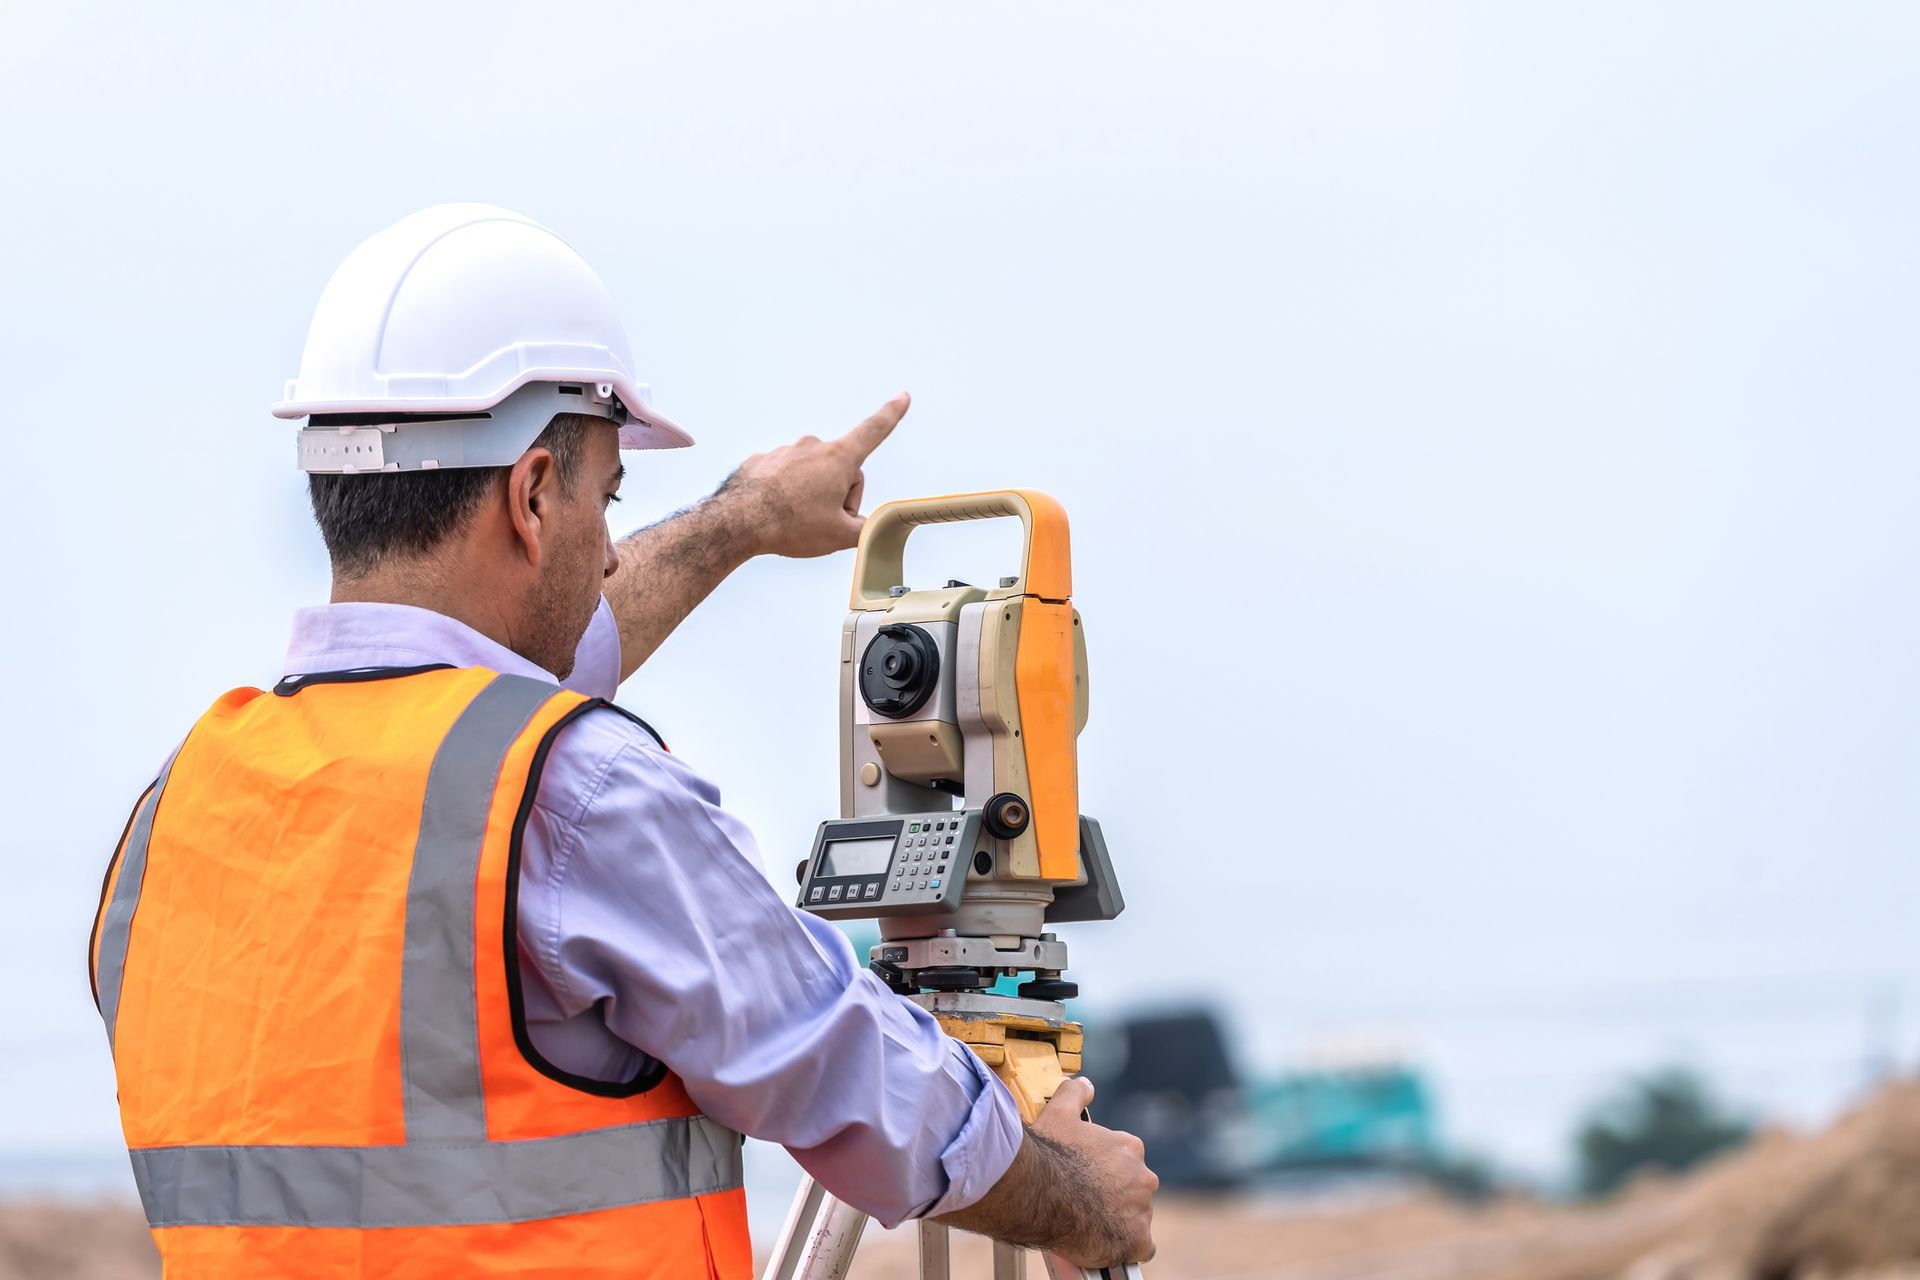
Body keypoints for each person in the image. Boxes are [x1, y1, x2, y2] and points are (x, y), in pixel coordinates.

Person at [88, 204, 1155, 1278]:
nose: (608, 554)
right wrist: (1077, 1199)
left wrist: (740, 518)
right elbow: (849, 1074)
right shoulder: (575, 795)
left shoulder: (177, 812)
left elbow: (480, 696)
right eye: (608, 493)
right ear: (533, 494)